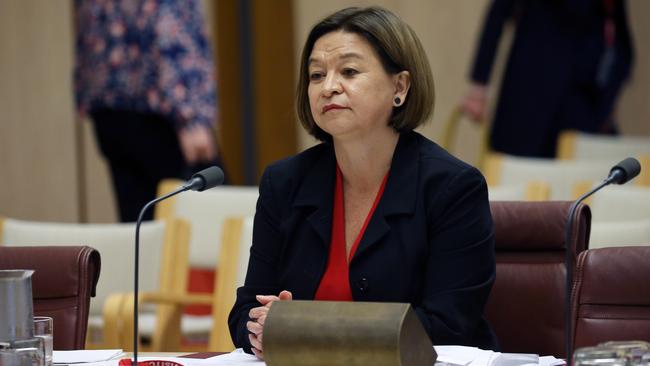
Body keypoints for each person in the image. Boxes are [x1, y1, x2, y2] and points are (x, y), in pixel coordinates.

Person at [228, 6, 498, 359]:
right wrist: (259, 328)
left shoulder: (452, 187)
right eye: (316, 75)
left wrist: (305, 328)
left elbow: (449, 324)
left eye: (349, 72)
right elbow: (246, 309)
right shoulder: (285, 182)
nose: (328, 87)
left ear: (399, 87)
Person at [74, 0, 223, 222]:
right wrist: (191, 117)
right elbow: (171, 28)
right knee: (211, 220)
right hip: (161, 113)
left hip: (108, 109)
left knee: (140, 225)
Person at [460, 0, 634, 158]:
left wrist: (607, 102)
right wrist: (479, 87)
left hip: (581, 103)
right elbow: (499, 12)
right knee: (515, 170)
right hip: (527, 93)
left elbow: (620, 41)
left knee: (573, 180)